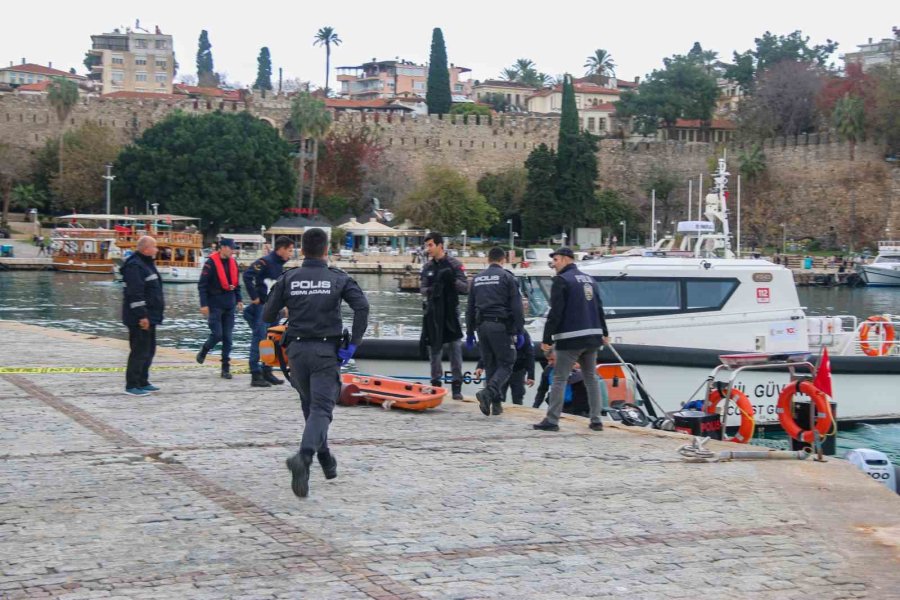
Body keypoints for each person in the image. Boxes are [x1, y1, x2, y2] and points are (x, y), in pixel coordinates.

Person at [263, 228, 369, 498]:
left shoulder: (289, 278)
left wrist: (292, 306)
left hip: (296, 352)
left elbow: (267, 314)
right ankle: (305, 456)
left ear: (302, 250)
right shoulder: (338, 278)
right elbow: (362, 307)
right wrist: (354, 343)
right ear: (326, 251)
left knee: (310, 406)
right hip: (325, 351)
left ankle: (325, 459)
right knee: (322, 408)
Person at [534, 247, 609, 432]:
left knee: (559, 378)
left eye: (556, 260)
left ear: (567, 259)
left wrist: (547, 338)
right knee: (591, 378)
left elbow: (556, 311)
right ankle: (596, 419)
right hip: (592, 337)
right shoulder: (590, 280)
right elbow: (598, 307)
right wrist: (604, 332)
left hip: (570, 338)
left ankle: (552, 420)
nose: (554, 264)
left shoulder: (562, 281)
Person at [465, 246, 525, 416]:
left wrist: (469, 332)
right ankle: (488, 392)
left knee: (490, 364)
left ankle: (495, 405)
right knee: (507, 362)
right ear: (503, 260)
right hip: (500, 325)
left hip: (481, 327)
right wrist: (519, 330)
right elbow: (516, 307)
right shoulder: (507, 277)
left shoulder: (477, 279)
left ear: (488, 259)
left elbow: (469, 309)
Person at [420, 232, 468, 399]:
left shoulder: (454, 264)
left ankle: (456, 387)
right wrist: (435, 289)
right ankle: (435, 384)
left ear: (440, 245)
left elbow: (465, 287)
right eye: (427, 246)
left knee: (455, 349)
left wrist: (451, 281)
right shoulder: (427, 267)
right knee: (435, 350)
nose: (428, 249)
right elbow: (422, 289)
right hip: (434, 312)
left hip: (450, 312)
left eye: (431, 245)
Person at [243, 235, 295, 387]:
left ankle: (267, 370)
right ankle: (255, 373)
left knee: (272, 340)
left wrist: (284, 306)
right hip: (263, 307)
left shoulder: (279, 264)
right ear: (281, 249)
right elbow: (247, 276)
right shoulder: (265, 261)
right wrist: (254, 297)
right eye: (290, 250)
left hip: (275, 308)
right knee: (259, 339)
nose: (291, 254)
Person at [121, 236, 165, 396]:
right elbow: (135, 294)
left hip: (151, 316)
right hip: (139, 318)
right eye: (154, 247)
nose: (157, 250)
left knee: (149, 350)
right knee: (139, 351)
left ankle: (143, 381)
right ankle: (132, 385)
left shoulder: (147, 264)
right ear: (146, 249)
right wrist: (142, 316)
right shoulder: (135, 266)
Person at [196, 238, 243, 379]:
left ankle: (225, 368)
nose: (233, 251)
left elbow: (236, 284)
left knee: (228, 338)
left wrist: (239, 300)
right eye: (230, 248)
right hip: (215, 305)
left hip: (229, 305)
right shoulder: (210, 264)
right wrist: (203, 304)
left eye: (233, 248)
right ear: (222, 248)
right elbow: (202, 285)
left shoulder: (233, 263)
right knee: (217, 335)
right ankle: (204, 349)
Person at [475, 329, 535, 406]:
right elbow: (489, 351)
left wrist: (531, 375)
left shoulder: (523, 333)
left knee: (518, 397)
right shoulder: (498, 332)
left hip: (518, 370)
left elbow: (530, 353)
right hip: (501, 371)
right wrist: (480, 366)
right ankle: (497, 410)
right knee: (498, 396)